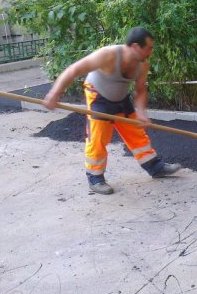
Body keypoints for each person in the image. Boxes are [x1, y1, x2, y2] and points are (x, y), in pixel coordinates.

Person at [43, 27, 181, 194]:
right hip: (98, 96)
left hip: (120, 98)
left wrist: (142, 113)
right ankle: (95, 178)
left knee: (136, 131)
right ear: (136, 47)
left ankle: (155, 167)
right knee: (99, 137)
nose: (151, 51)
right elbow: (74, 70)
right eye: (149, 48)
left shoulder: (142, 65)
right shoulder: (108, 55)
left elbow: (140, 90)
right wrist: (55, 93)